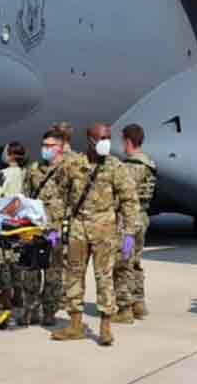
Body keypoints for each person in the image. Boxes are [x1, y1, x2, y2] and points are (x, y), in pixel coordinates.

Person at [53, 123, 138, 346]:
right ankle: (75, 324)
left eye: (108, 138)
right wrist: (54, 226)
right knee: (74, 275)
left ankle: (105, 327)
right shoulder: (74, 165)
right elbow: (59, 195)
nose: (106, 142)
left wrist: (129, 233)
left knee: (104, 277)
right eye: (101, 138)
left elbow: (130, 200)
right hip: (78, 227)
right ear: (90, 140)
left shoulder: (115, 167)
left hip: (105, 229)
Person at [20, 129, 73, 327]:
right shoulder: (34, 169)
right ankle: (30, 310)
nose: (45, 149)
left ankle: (49, 311)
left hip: (55, 229)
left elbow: (74, 199)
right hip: (35, 227)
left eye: (50, 146)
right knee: (31, 270)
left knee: (53, 272)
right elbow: (26, 196)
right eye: (44, 145)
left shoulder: (68, 170)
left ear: (60, 148)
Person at [112, 123, 157, 323]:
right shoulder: (149, 164)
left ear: (127, 141)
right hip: (143, 218)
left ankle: (124, 308)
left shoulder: (130, 167)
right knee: (136, 260)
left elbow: (122, 195)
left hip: (128, 222)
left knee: (123, 262)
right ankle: (139, 302)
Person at [0, 142, 29, 310]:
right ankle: (19, 296)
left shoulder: (2, 174)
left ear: (11, 155)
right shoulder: (26, 173)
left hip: (5, 222)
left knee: (3, 261)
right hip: (22, 222)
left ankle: (5, 298)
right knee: (18, 260)